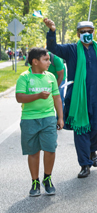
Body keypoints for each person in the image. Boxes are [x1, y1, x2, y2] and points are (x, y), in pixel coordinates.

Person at [44, 18, 97, 178]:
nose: (86, 34)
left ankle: (92, 150)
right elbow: (52, 47)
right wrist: (52, 31)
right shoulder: (71, 50)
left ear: (93, 33)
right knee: (81, 130)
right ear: (78, 34)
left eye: (89, 32)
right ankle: (85, 164)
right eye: (83, 32)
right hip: (78, 98)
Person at [15, 48, 64, 196]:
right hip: (29, 119)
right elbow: (19, 98)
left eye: (49, 59)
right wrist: (38, 96)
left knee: (50, 149)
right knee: (33, 151)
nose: (49, 62)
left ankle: (47, 178)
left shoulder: (50, 77)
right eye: (46, 59)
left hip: (48, 118)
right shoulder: (24, 77)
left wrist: (60, 117)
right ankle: (35, 181)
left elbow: (57, 98)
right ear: (35, 61)